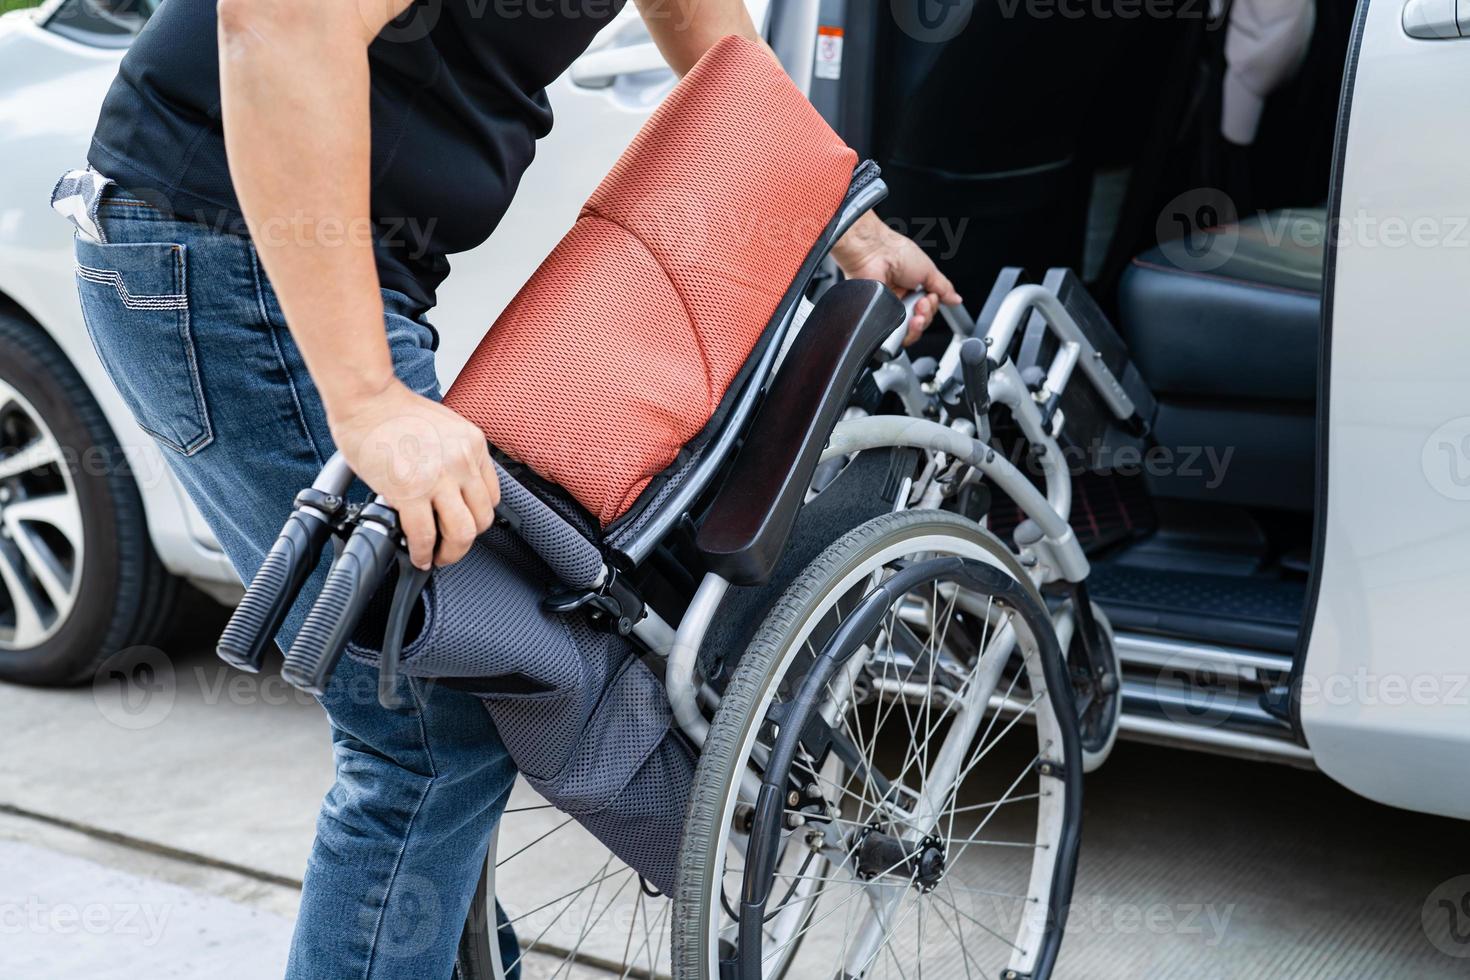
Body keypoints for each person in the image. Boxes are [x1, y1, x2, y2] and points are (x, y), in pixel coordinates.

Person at [60, 0, 960, 975]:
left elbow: (688, 12)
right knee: (429, 735)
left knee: (457, 696)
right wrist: (368, 401)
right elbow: (281, 22)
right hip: (230, 260)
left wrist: (837, 217)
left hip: (266, 260)